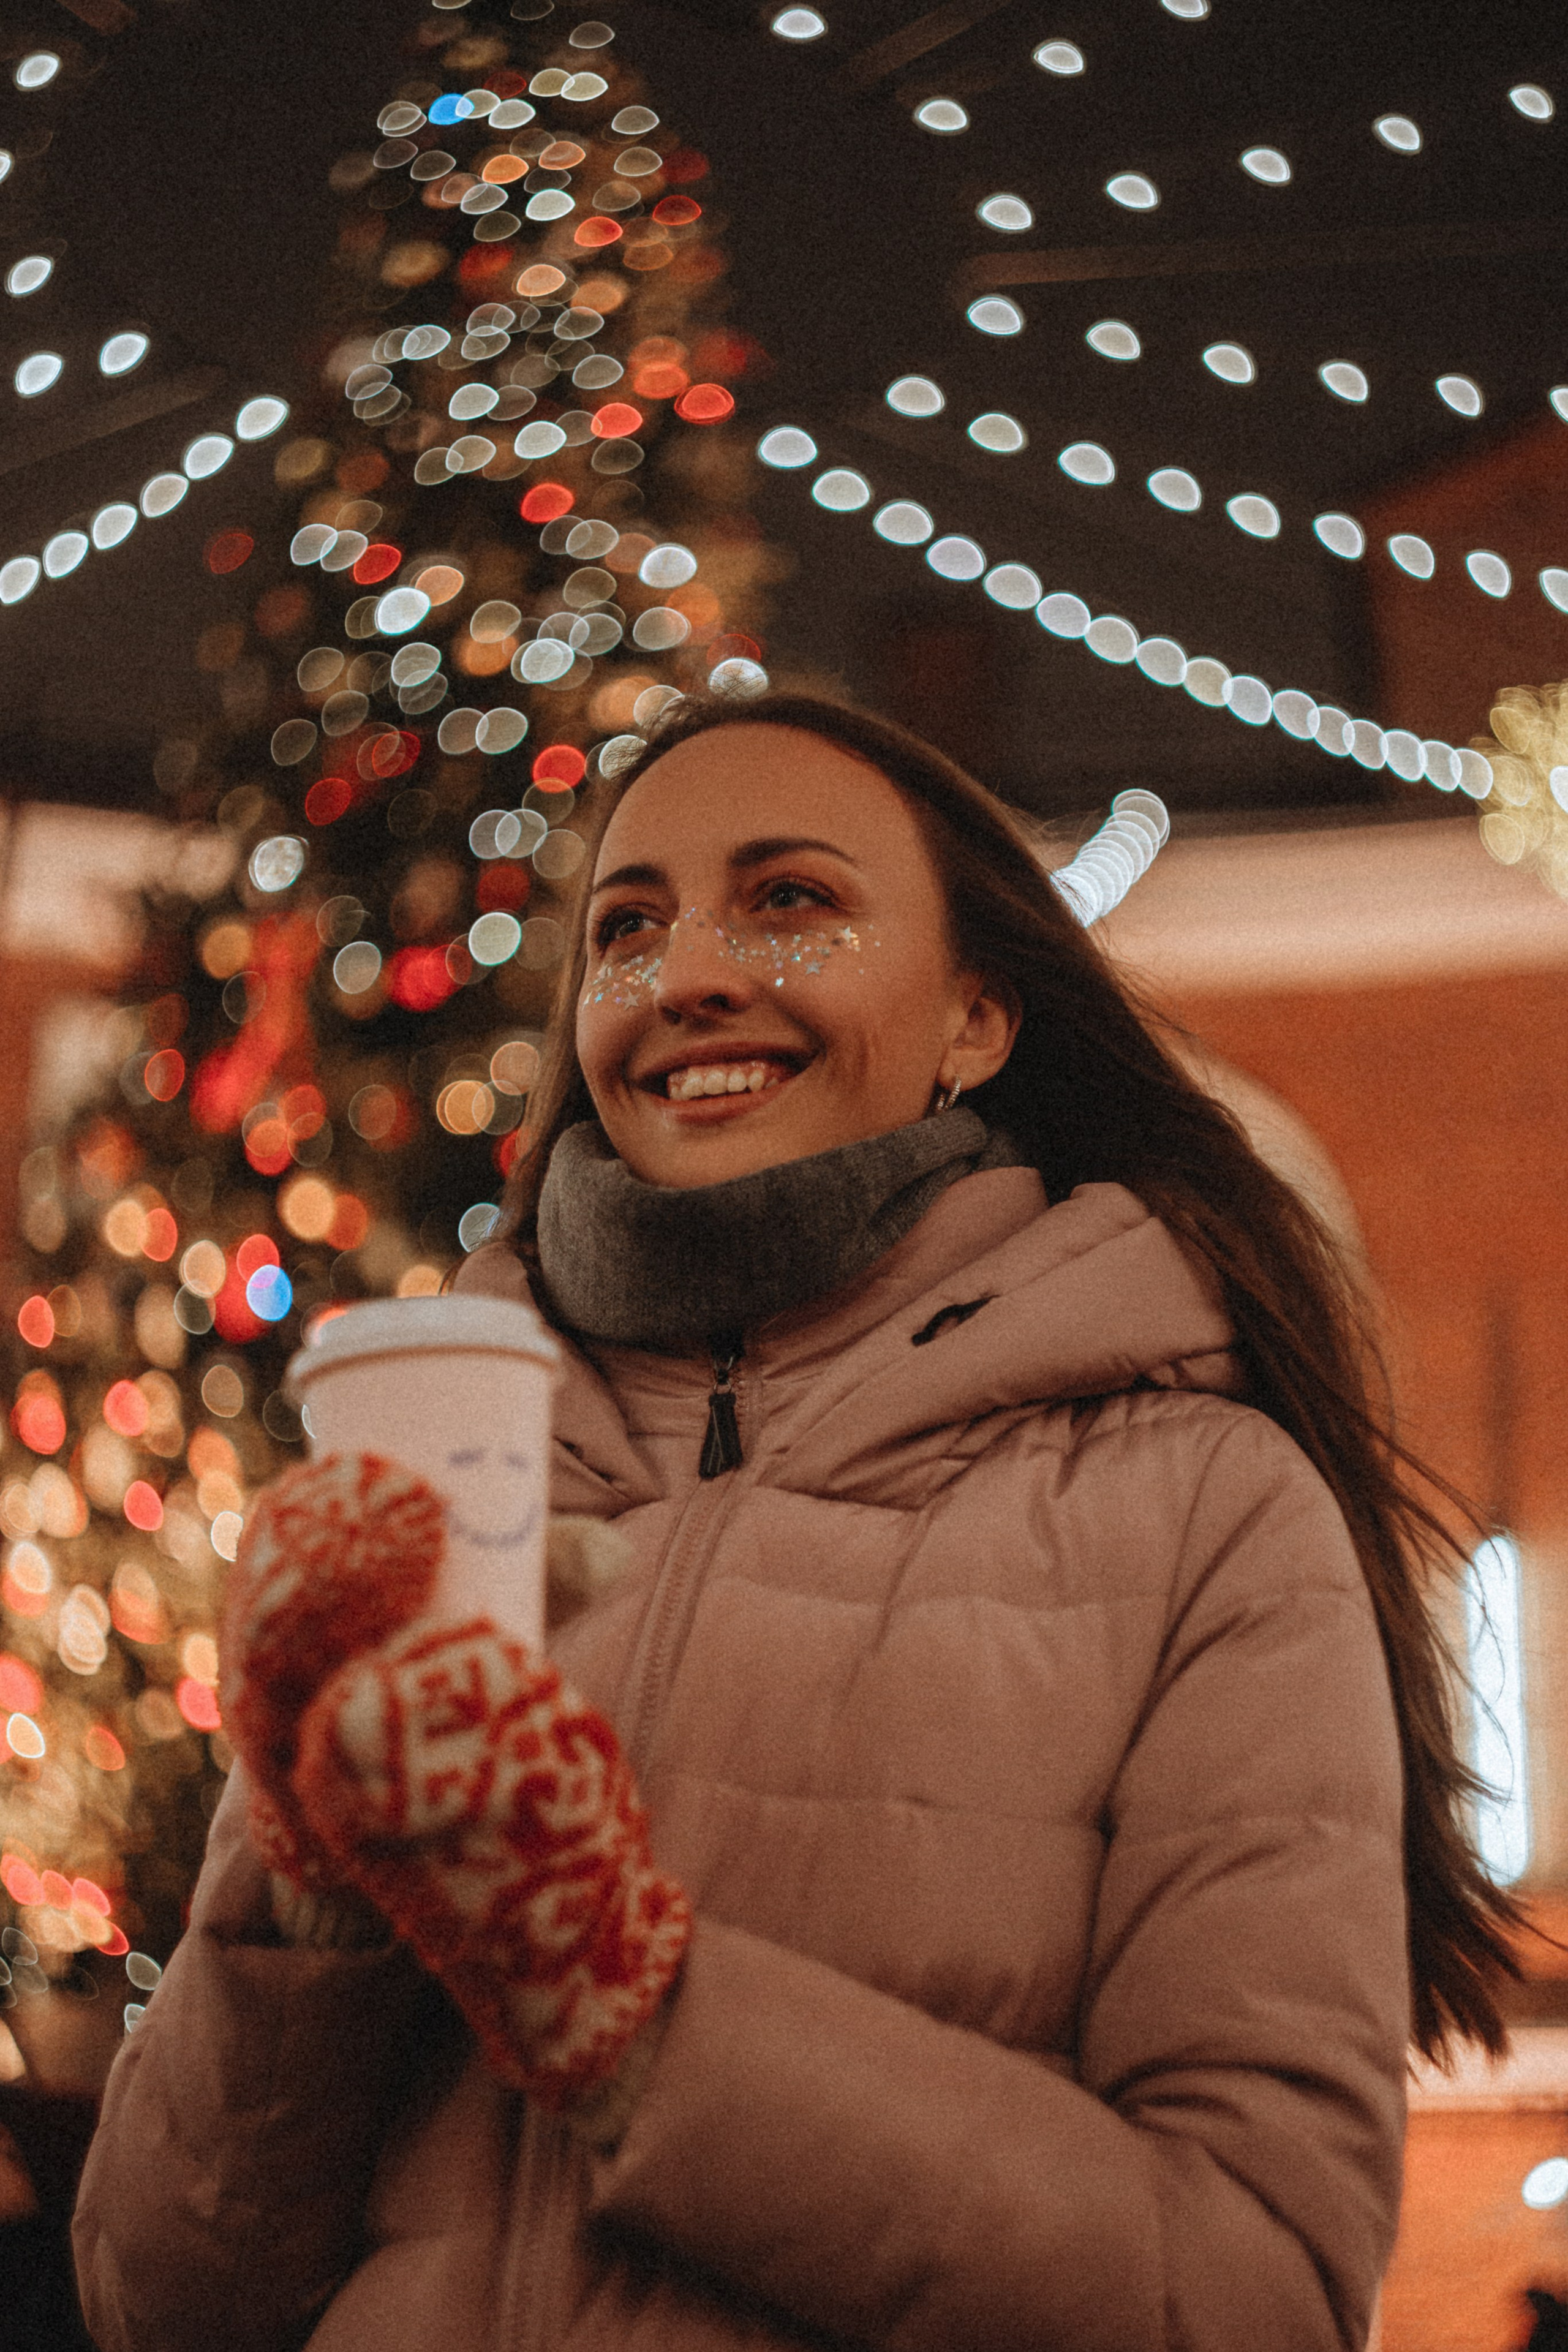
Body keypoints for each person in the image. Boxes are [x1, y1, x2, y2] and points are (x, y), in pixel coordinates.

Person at [74, 695, 1520, 2352]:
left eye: (790, 900)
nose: (685, 971)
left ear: (975, 1018)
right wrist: (308, 1903)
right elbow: (153, 2300)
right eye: (627, 928)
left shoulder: (1200, 1507)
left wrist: (640, 2011)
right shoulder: (455, 1497)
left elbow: (1251, 2298)